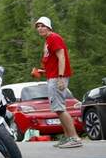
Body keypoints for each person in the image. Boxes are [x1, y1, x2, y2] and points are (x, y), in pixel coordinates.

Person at [33, 17, 81, 148]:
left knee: (59, 108)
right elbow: (53, 61)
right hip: (53, 76)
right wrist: (42, 71)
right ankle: (67, 137)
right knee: (58, 108)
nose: (40, 28)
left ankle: (74, 138)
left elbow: (62, 57)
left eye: (42, 26)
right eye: (38, 26)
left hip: (57, 77)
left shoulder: (54, 38)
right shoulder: (48, 40)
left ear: (49, 27)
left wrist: (60, 77)